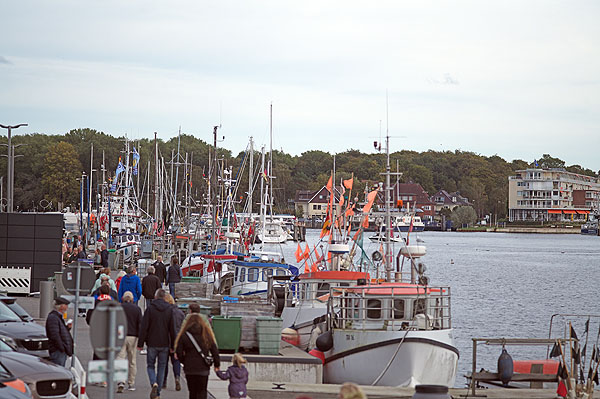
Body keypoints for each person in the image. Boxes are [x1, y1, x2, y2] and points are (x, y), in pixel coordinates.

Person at [138, 289, 176, 399]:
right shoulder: (169, 310)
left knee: (150, 365)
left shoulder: (150, 309)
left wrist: (141, 343)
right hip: (164, 343)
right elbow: (172, 329)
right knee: (162, 367)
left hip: (152, 342)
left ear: (155, 297)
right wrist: (173, 345)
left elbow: (144, 327)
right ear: (164, 297)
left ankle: (153, 382)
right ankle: (158, 391)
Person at [174, 313, 220, 399]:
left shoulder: (184, 335)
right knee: (202, 391)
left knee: (192, 392)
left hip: (190, 368)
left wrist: (184, 361)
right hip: (203, 368)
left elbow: (179, 352)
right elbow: (214, 351)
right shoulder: (206, 335)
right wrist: (217, 364)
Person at [117, 291, 142, 393]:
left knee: (120, 358)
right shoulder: (137, 309)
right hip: (133, 336)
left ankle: (121, 381)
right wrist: (141, 340)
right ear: (132, 299)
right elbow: (140, 324)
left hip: (121, 335)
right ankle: (131, 383)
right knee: (132, 361)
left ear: (123, 299)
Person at [162, 293, 185, 391]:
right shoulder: (180, 313)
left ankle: (164, 381)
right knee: (176, 361)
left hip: (165, 339)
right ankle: (177, 377)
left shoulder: (164, 312)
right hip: (177, 339)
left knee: (164, 362)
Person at [45, 297, 73, 367]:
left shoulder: (58, 317)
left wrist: (67, 328)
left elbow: (59, 331)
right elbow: (54, 335)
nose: (67, 307)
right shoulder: (53, 317)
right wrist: (62, 348)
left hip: (60, 350)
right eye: (66, 305)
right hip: (57, 351)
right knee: (58, 369)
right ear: (61, 306)